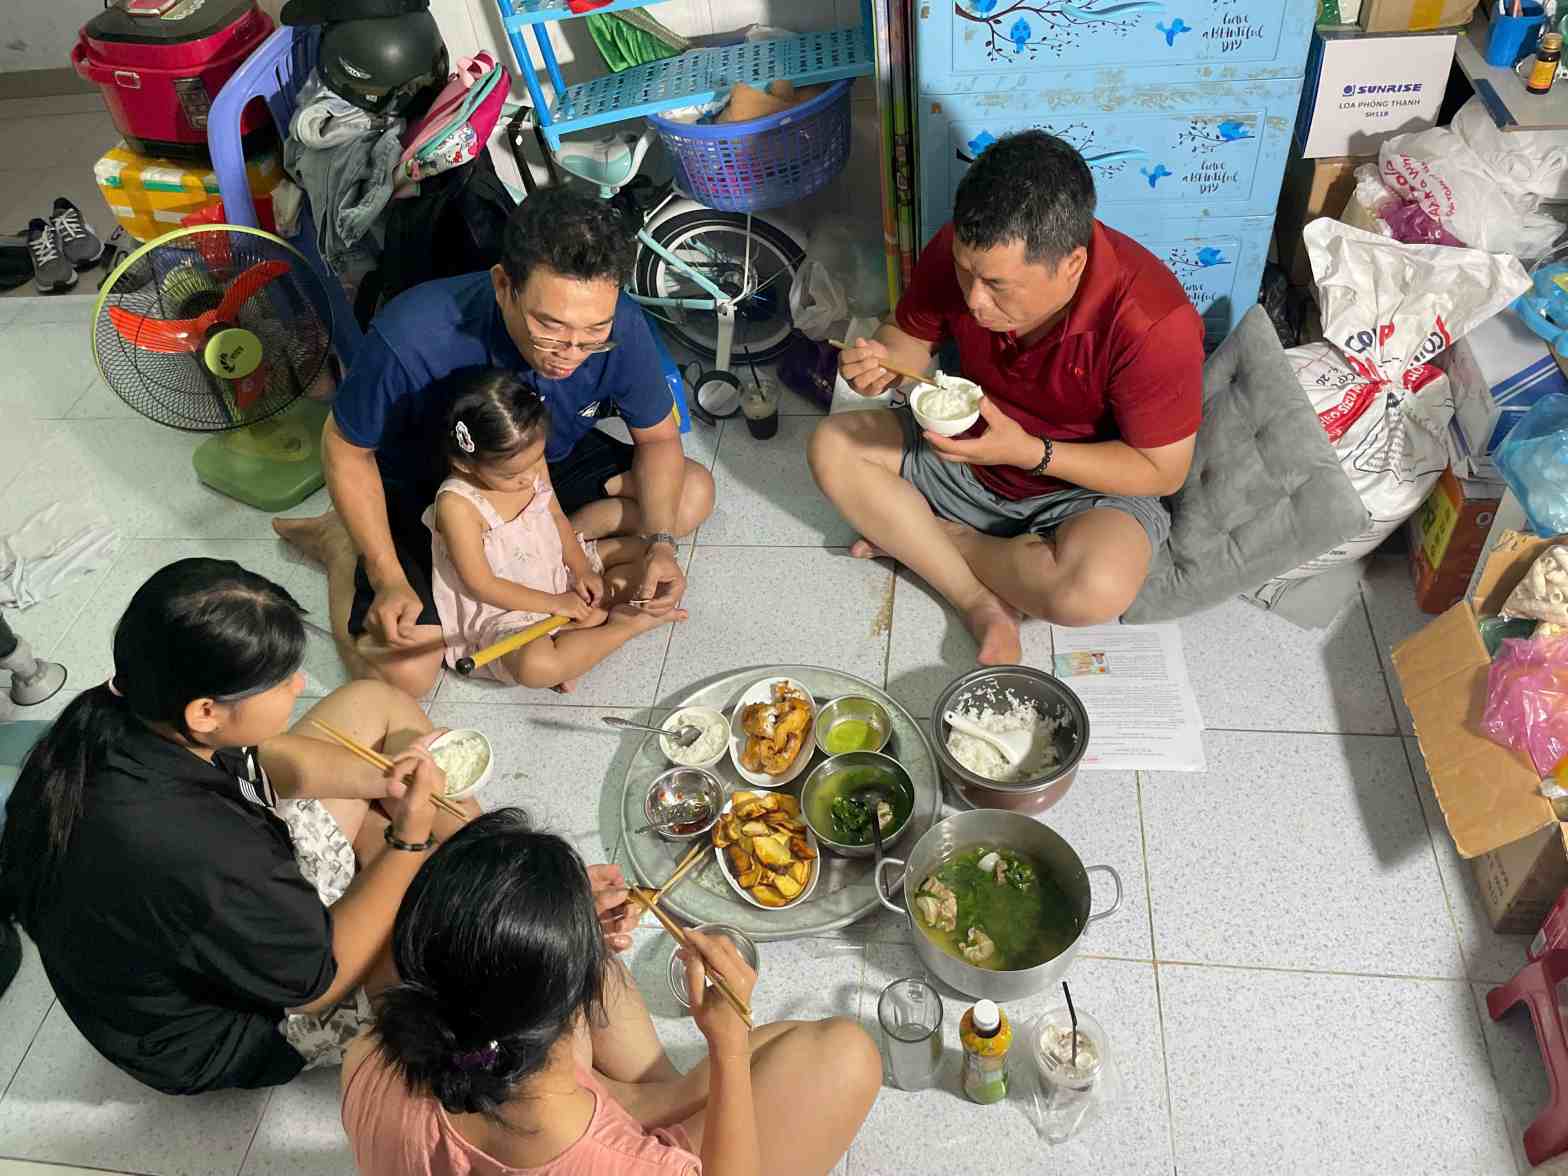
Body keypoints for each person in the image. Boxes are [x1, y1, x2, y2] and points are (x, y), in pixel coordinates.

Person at [0, 557, 482, 1095]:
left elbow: (262, 757)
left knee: (375, 702)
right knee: (467, 948)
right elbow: (317, 983)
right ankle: (480, 870)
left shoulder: (123, 709)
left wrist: (385, 780)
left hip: (218, 919)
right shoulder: (203, 851)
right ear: (206, 711)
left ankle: (478, 855)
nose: (300, 683)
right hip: (247, 1025)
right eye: (280, 680)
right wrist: (408, 841)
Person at [276, 186, 715, 698]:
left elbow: (659, 440)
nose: (572, 353)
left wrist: (660, 544)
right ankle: (342, 545)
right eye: (549, 327)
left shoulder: (622, 326)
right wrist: (386, 572)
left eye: (595, 332)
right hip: (430, 493)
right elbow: (345, 449)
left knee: (690, 494)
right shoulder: (415, 336)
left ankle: (523, 563)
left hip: (537, 470)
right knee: (404, 675)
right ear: (504, 285)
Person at [809, 131, 1204, 664]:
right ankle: (978, 602)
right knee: (832, 446)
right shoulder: (964, 250)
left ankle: (930, 538)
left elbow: (1162, 472)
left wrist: (1030, 453)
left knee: (1093, 590)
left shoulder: (1153, 322)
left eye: (997, 286)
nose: (974, 300)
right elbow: (909, 342)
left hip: (1079, 485)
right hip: (964, 452)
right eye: (965, 272)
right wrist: (880, 365)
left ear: (1072, 265)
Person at [342, 810, 881, 1175]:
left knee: (781, 1050)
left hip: (535, 1111)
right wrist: (729, 1046)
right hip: (591, 1149)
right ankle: (665, 1098)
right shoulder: (629, 1167)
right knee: (843, 1057)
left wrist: (562, 941)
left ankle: (657, 1097)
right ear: (573, 998)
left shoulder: (372, 1054)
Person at [427, 367, 686, 691]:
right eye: (511, 476)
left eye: (534, 462)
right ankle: (620, 628)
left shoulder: (528, 462)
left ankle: (578, 638)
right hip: (508, 608)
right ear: (465, 464)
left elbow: (557, 518)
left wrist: (582, 570)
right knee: (535, 666)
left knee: (647, 557)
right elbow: (481, 584)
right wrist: (555, 605)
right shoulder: (458, 505)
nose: (527, 479)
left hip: (555, 572)